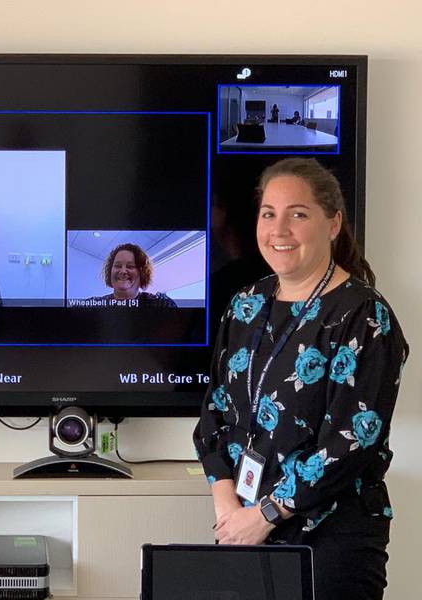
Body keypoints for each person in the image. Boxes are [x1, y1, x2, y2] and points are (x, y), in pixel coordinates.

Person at [193, 158, 408, 600]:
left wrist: (267, 513)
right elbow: (215, 410)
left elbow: (354, 440)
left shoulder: (364, 316)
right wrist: (227, 502)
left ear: (333, 224)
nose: (279, 229)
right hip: (243, 524)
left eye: (298, 214)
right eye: (269, 213)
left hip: (330, 539)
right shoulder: (245, 304)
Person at [90, 243, 176, 307]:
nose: (123, 271)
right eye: (118, 266)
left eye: (130, 266)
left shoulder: (160, 305)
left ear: (142, 273)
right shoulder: (93, 305)